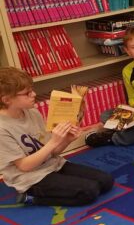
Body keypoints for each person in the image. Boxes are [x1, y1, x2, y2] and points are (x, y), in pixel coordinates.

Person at [0, 68, 114, 206]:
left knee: (106, 181)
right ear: (6, 100)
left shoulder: (32, 112)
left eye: (32, 89)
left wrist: (66, 140)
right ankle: (30, 197)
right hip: (30, 177)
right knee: (89, 191)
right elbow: (24, 166)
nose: (34, 94)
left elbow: (52, 152)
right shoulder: (2, 128)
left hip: (52, 165)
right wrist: (53, 142)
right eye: (27, 93)